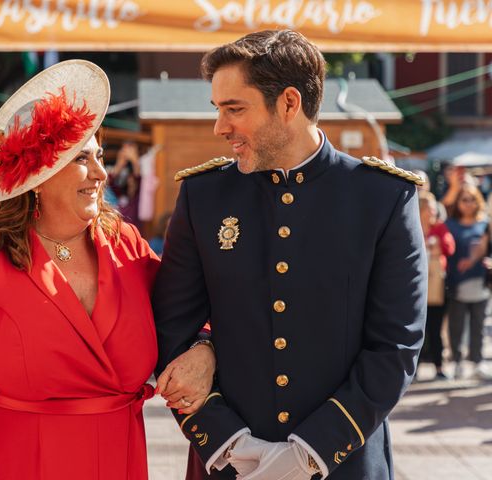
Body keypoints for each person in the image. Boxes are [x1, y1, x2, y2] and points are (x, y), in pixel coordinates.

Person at [0, 60, 211, 480]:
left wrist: (206, 350)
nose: (102, 174)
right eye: (82, 159)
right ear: (39, 174)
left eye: (100, 157)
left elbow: (190, 313)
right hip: (11, 466)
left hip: (119, 462)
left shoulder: (126, 244)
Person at [153, 30, 427, 480]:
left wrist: (310, 452)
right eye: (218, 110)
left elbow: (395, 346)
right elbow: (170, 329)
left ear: (288, 103)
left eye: (234, 109)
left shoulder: (382, 198)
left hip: (344, 463)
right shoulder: (203, 197)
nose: (220, 128)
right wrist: (229, 442)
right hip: (227, 465)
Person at [445, 184, 492, 380]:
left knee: (478, 325)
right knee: (456, 325)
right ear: (458, 202)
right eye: (464, 199)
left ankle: (477, 361)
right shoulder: (450, 224)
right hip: (456, 283)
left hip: (481, 283)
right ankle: (456, 362)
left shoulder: (485, 224)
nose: (468, 203)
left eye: (472, 199)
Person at [419, 191, 455, 380]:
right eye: (429, 208)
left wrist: (437, 243)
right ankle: (414, 369)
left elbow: (450, 248)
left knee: (436, 327)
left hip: (436, 286)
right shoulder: (412, 226)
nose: (433, 212)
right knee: (417, 329)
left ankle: (439, 366)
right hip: (416, 287)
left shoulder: (440, 228)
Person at [108, 141, 141, 227]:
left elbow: (139, 180)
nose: (127, 152)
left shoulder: (137, 199)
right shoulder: (120, 197)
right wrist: (120, 163)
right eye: (124, 149)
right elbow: (110, 183)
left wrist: (135, 161)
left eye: (130, 149)